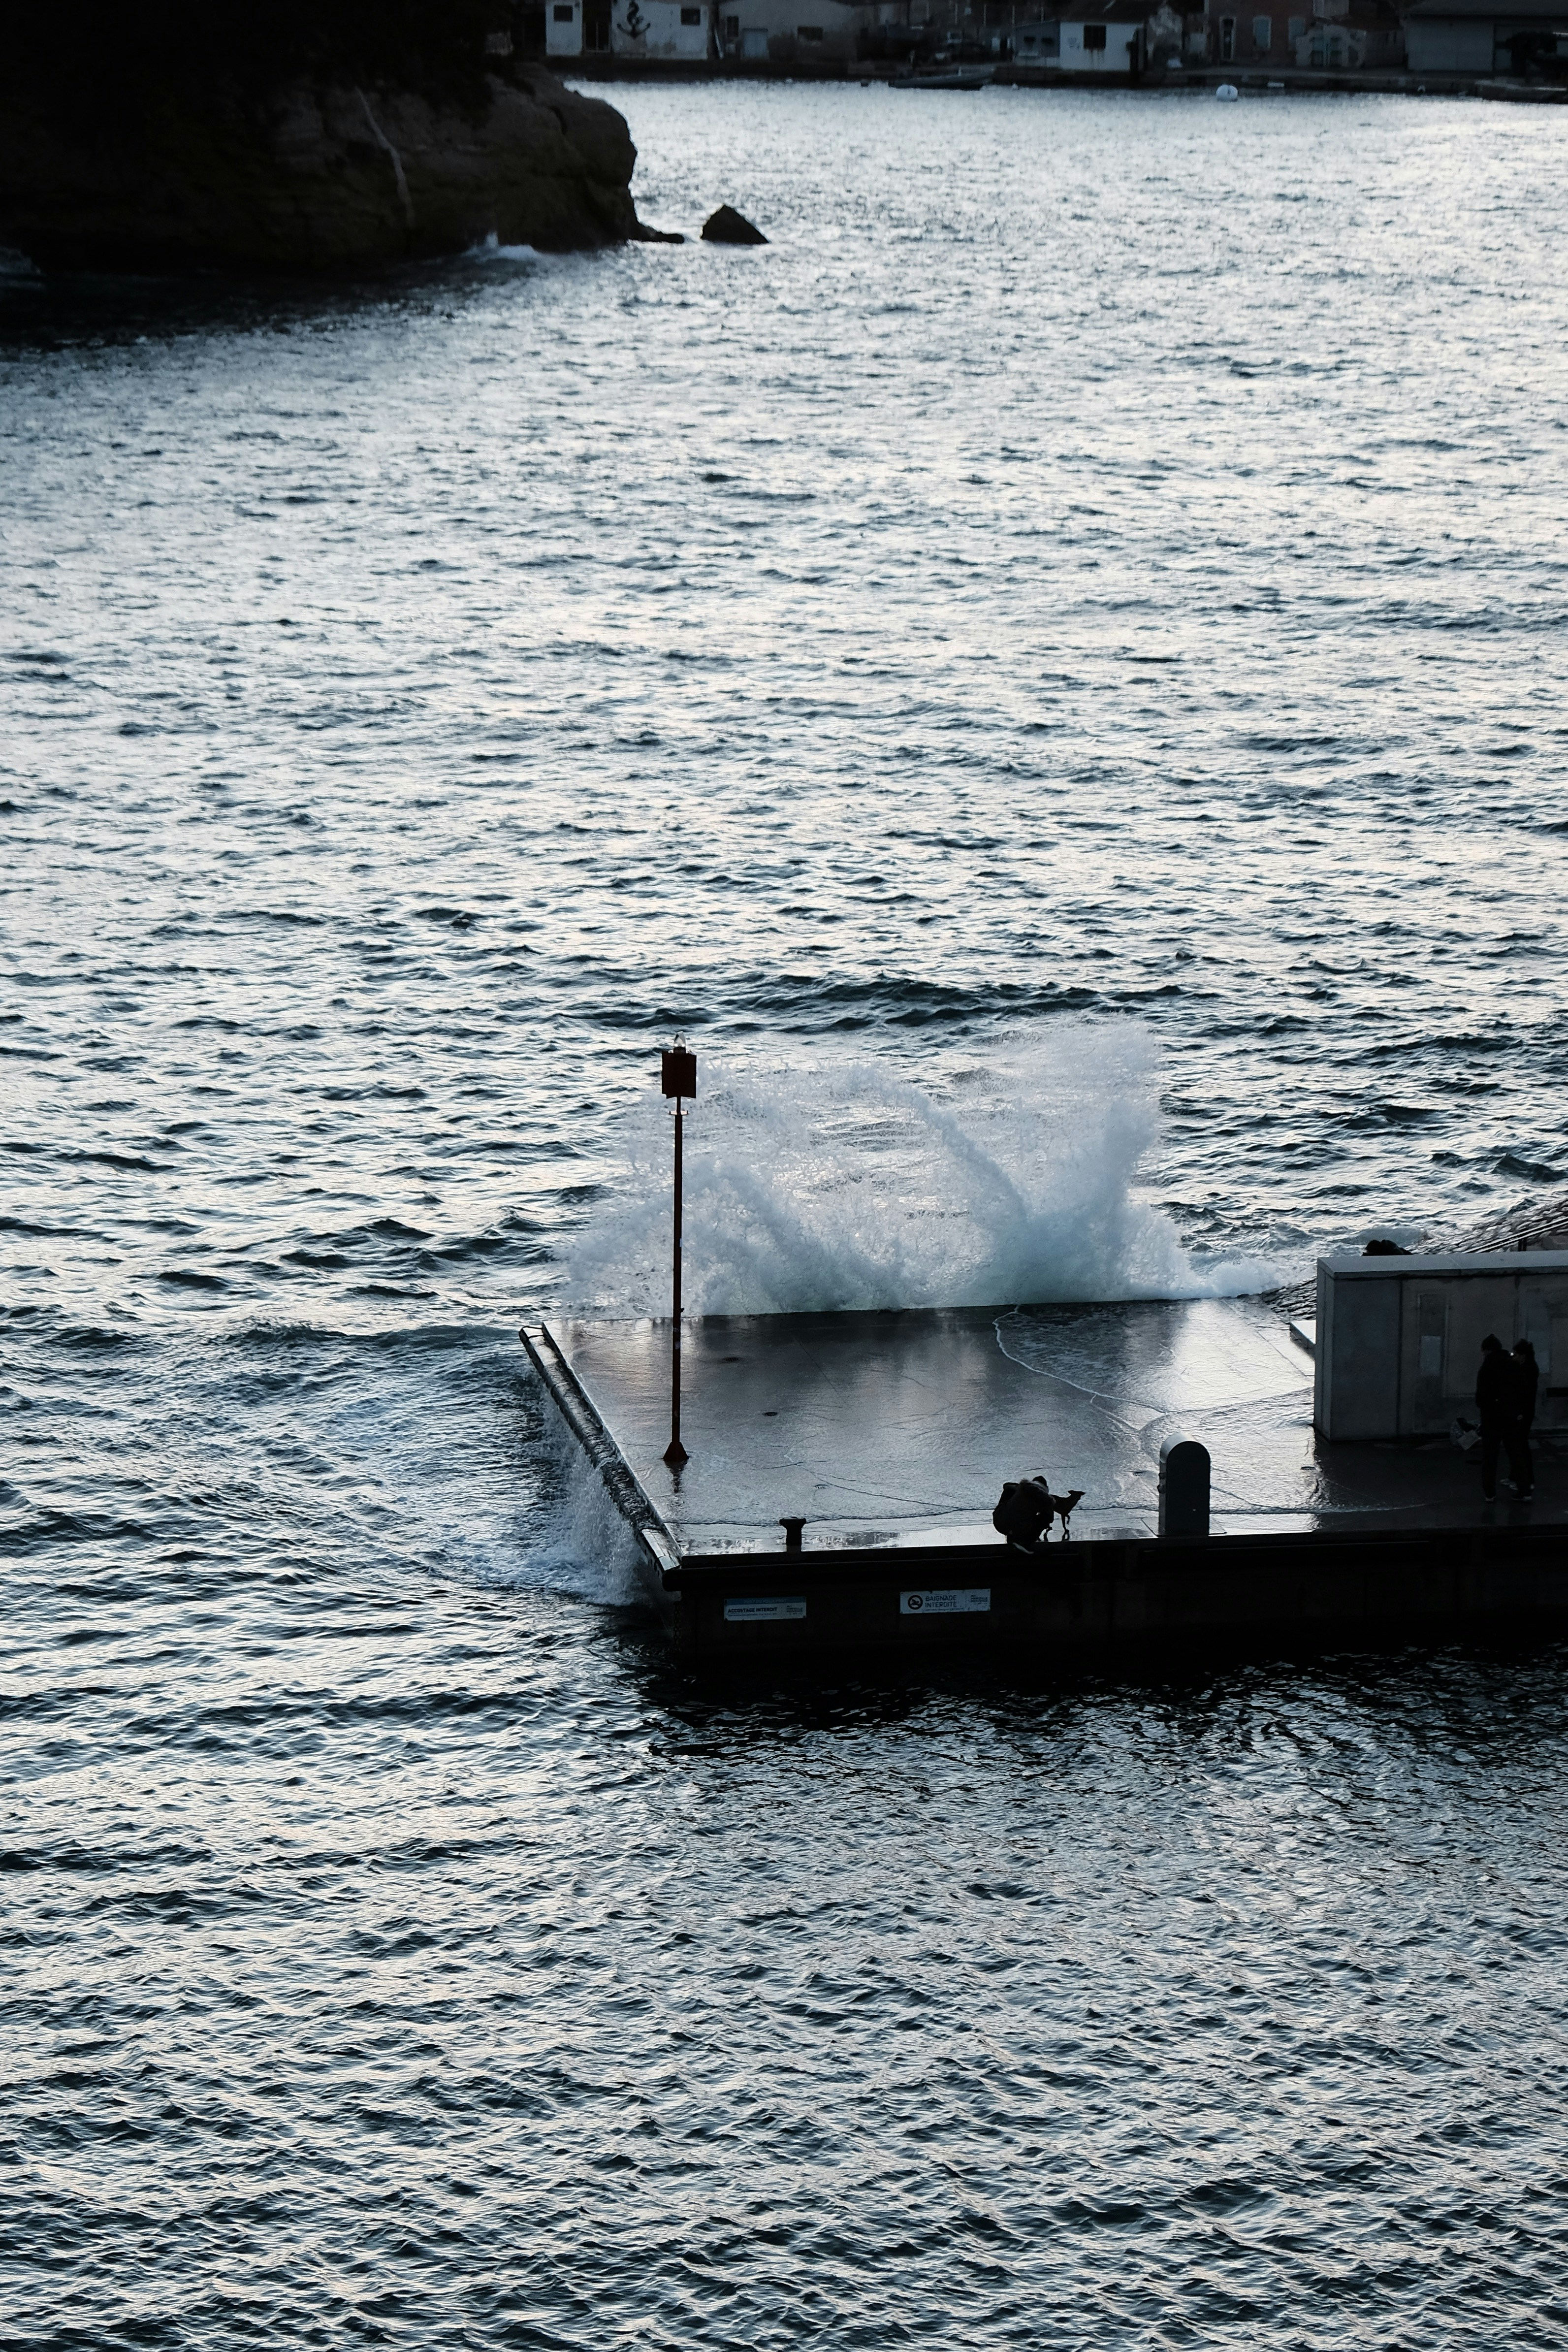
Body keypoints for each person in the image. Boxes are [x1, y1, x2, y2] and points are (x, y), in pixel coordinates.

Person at [1476, 1334, 1530, 1501]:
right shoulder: (1513, 1366)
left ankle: (1490, 1493)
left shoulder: (1487, 1368)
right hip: (1512, 1417)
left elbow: (1481, 1398)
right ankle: (1525, 1490)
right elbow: (1523, 1390)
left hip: (1492, 1418)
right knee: (1516, 1455)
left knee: (1490, 1457)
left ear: (1487, 1350)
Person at [1510, 1338, 1539, 1500]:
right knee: (1520, 1445)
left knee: (1520, 1446)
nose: (1514, 1357)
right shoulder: (1529, 1367)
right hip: (1526, 1412)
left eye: (1516, 1354)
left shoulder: (1526, 1370)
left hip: (1524, 1412)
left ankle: (1526, 1480)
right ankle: (1520, 1478)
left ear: (1523, 1356)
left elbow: (1523, 1393)